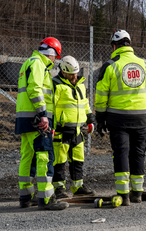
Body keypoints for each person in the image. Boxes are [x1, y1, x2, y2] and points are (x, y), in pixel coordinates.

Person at [95, 29, 146, 206]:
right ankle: (137, 193)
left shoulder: (110, 65)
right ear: (129, 44)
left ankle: (123, 196)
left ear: (114, 46)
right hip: (142, 117)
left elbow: (101, 94)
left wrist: (100, 118)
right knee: (138, 153)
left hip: (118, 119)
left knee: (121, 153)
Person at [15, 37, 69, 210]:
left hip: (25, 119)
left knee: (27, 157)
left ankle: (25, 196)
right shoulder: (38, 64)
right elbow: (35, 89)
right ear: (51, 53)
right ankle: (46, 199)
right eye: (56, 57)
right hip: (37, 120)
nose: (55, 61)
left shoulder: (27, 63)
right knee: (45, 156)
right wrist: (43, 114)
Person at [52, 55, 96, 199]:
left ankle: (78, 187)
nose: (74, 76)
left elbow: (85, 104)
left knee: (78, 160)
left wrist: (90, 119)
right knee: (59, 161)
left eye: (75, 73)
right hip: (61, 130)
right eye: (71, 74)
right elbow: (50, 107)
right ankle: (58, 188)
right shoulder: (56, 85)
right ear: (63, 72)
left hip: (77, 131)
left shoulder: (81, 85)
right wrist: (51, 127)